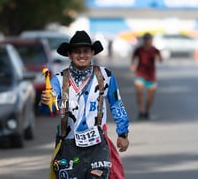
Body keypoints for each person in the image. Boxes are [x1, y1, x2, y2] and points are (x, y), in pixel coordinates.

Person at [40, 30, 130, 179]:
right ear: (69, 54)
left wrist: (123, 133)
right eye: (77, 51)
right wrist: (46, 103)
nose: (82, 55)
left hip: (98, 147)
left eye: (85, 51)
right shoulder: (58, 80)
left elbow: (116, 103)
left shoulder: (106, 76)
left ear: (92, 52)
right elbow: (49, 109)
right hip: (68, 147)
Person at [130, 33, 162, 120]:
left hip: (151, 76)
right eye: (146, 40)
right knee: (139, 92)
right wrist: (132, 65)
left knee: (150, 96)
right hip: (140, 74)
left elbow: (160, 59)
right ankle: (141, 110)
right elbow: (134, 56)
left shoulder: (155, 50)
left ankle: (147, 111)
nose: (147, 41)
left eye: (149, 40)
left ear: (151, 41)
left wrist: (157, 57)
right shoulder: (139, 50)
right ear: (143, 40)